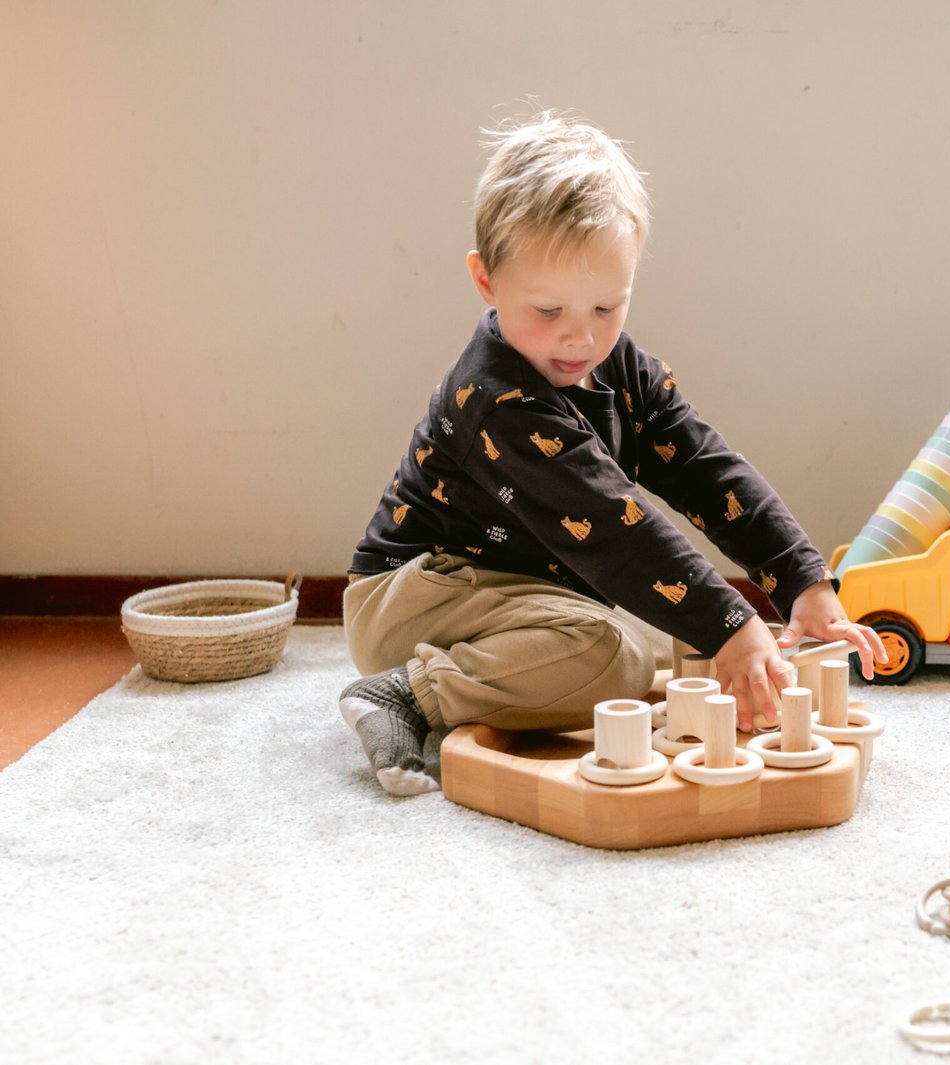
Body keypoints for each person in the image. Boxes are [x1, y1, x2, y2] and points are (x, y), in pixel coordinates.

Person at [339, 109, 886, 795]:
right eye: (548, 312)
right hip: (417, 593)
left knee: (666, 641)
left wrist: (803, 584)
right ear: (486, 282)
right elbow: (612, 522)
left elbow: (703, 467)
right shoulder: (497, 397)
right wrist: (733, 625)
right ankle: (406, 694)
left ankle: (501, 673)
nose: (580, 340)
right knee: (617, 655)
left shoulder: (618, 368)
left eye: (606, 309)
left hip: (515, 590)